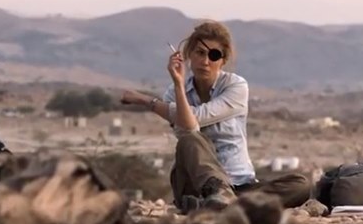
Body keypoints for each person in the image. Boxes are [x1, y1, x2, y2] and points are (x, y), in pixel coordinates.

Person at [121, 21, 311, 213]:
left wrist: (147, 101)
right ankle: (221, 199)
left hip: (240, 183)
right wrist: (179, 84)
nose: (205, 61)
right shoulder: (174, 92)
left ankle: (225, 204)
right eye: (200, 53)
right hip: (197, 186)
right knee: (191, 139)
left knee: (300, 185)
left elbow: (197, 116)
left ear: (223, 61)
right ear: (188, 55)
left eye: (213, 56)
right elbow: (188, 127)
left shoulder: (235, 86)